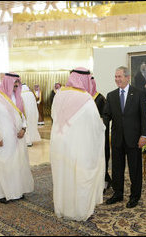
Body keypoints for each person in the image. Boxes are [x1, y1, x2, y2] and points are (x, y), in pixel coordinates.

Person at [50, 67, 105, 221]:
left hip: (59, 144)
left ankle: (63, 208)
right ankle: (80, 211)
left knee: (63, 175)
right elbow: (95, 125)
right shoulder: (86, 99)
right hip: (79, 146)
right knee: (80, 176)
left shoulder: (59, 94)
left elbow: (54, 116)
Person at [103, 66, 146, 208]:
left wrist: (144, 135)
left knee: (135, 169)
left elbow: (144, 117)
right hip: (117, 139)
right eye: (116, 77)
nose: (117, 79)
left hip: (134, 139)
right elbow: (106, 115)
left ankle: (134, 196)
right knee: (117, 168)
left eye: (120, 76)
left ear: (127, 78)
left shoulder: (139, 94)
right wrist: (99, 124)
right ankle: (118, 194)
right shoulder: (111, 95)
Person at [0, 73, 34, 203]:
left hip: (18, 139)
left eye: (18, 83)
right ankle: (1, 193)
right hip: (3, 139)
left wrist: (24, 128)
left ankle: (16, 191)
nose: (16, 85)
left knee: (17, 165)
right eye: (14, 83)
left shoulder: (18, 97)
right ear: (7, 82)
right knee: (3, 165)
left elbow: (23, 116)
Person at [90, 76, 111, 192]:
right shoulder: (85, 98)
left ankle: (104, 181)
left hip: (100, 135)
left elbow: (106, 118)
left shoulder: (100, 98)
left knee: (101, 158)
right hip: (89, 136)